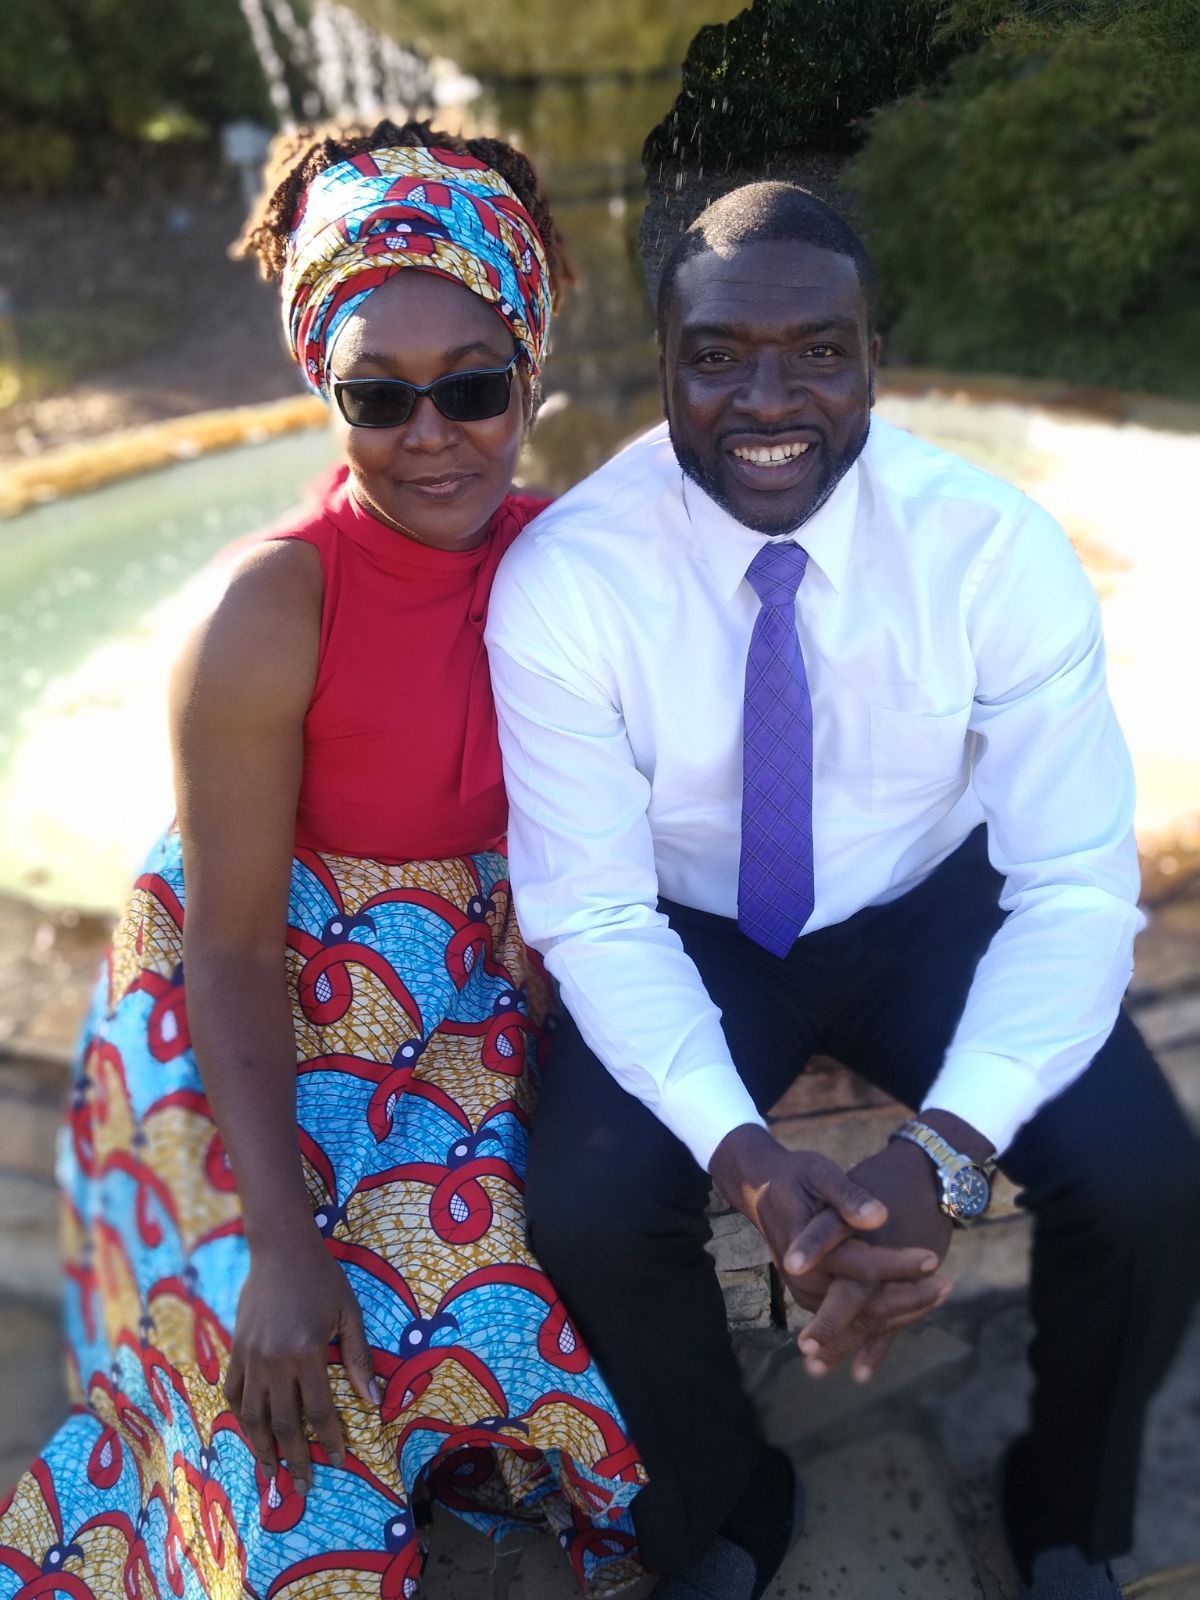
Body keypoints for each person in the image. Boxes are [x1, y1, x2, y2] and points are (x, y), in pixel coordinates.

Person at [485, 181, 1200, 1600]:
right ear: (665, 362)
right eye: (720, 356)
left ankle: (1067, 1510)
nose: (768, 397)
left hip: (932, 901)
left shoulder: (993, 546)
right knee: (581, 1202)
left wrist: (944, 1154)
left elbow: (1071, 887)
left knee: (1145, 1180)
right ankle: (726, 1497)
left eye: (818, 350)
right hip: (694, 923)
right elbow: (597, 914)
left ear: (878, 353)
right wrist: (752, 1168)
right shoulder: (568, 578)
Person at [0, 120, 644, 1599]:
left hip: (450, 991)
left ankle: (466, 1459)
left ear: (531, 375)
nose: (432, 435)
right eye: (380, 395)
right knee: (283, 1384)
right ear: (326, 392)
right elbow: (225, 947)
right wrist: (278, 1245)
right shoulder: (270, 611)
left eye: (473, 388)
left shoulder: (572, 560)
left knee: (475, 1287)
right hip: (251, 991)